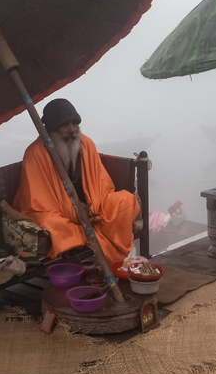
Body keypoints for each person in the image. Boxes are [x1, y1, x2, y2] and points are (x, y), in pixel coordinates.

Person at [13, 99, 140, 269]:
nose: (72, 129)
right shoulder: (35, 153)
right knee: (48, 223)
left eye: (75, 124)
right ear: (52, 128)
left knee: (124, 200)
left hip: (92, 209)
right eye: (65, 125)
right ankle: (85, 241)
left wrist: (91, 208)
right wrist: (75, 212)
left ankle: (89, 241)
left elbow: (102, 186)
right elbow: (38, 204)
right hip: (59, 214)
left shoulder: (86, 144)